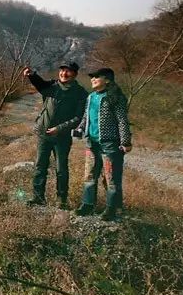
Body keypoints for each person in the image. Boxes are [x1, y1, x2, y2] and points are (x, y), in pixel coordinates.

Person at [22, 61, 88, 209]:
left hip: (62, 137)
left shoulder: (81, 93)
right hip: (43, 133)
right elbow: (40, 84)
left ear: (75, 74)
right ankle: (38, 197)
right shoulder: (52, 87)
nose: (64, 73)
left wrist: (60, 128)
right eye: (62, 70)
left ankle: (61, 200)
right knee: (40, 166)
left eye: (68, 71)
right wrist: (32, 75)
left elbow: (78, 118)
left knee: (61, 169)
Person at [73, 67, 132, 221]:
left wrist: (125, 141)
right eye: (92, 77)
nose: (93, 79)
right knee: (90, 175)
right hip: (91, 143)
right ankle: (87, 205)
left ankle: (112, 209)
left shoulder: (115, 97)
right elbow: (86, 117)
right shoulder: (91, 97)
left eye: (96, 77)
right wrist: (79, 129)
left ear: (107, 80)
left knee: (111, 178)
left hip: (110, 144)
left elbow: (122, 120)